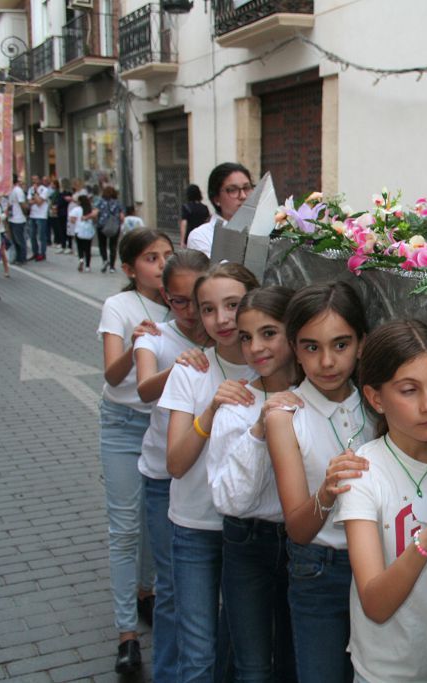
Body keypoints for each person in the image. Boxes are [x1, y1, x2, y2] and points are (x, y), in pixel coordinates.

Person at [333, 319, 427, 683]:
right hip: (385, 673)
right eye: (409, 390)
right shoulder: (364, 474)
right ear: (375, 398)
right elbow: (375, 603)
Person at [265, 282, 375, 683]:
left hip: (381, 564)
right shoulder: (285, 416)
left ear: (362, 343)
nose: (327, 361)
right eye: (311, 347)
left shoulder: (378, 404)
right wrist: (326, 492)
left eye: (341, 345)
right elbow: (297, 527)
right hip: (319, 570)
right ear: (294, 348)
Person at [158, 262, 262, 683]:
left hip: (253, 530)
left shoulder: (271, 367)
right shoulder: (191, 369)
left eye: (233, 305)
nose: (221, 319)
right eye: (207, 309)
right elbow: (176, 463)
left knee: (243, 650)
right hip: (195, 527)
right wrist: (212, 408)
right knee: (197, 652)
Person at [206, 286, 301, 681]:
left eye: (268, 333)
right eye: (246, 337)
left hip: (302, 548)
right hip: (247, 542)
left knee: (293, 662)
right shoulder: (238, 404)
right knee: (253, 665)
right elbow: (231, 498)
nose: (256, 347)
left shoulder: (315, 397)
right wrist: (261, 430)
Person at [97, 228, 175, 674]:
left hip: (164, 425)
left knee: (155, 522)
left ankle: (146, 593)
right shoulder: (119, 306)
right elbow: (111, 376)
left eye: (166, 255)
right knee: (126, 529)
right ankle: (127, 634)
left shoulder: (181, 302)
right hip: (124, 426)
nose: (161, 264)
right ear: (130, 269)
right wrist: (134, 346)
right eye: (150, 257)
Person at [133, 248, 212, 683]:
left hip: (205, 479)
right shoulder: (155, 337)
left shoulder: (224, 332)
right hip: (163, 479)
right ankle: (166, 672)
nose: (188, 313)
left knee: (200, 593)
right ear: (165, 296)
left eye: (195, 302)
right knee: (170, 588)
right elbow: (145, 388)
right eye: (177, 301)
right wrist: (178, 366)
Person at [187, 163, 253, 257]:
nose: (243, 196)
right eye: (232, 190)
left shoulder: (265, 228)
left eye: (246, 188)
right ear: (216, 198)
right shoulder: (201, 236)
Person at [97, 186, 124, 274]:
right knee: (113, 245)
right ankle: (112, 266)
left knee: (102, 244)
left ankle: (105, 260)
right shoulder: (118, 202)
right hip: (114, 225)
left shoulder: (101, 201)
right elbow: (122, 216)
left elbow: (96, 212)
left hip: (102, 225)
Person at [27, 175, 50, 261]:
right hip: (33, 215)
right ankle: (35, 252)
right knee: (32, 235)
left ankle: (42, 253)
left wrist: (36, 193)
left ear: (39, 180)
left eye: (36, 179)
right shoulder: (30, 189)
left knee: (41, 236)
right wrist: (36, 199)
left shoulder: (44, 190)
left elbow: (40, 202)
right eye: (33, 179)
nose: (34, 181)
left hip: (41, 215)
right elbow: (29, 201)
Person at [71, 195, 97, 272]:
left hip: (79, 230)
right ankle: (88, 266)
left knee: (80, 247)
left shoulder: (76, 209)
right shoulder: (91, 209)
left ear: (80, 201)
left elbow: (72, 219)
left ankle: (81, 259)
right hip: (89, 230)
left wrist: (77, 221)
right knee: (88, 248)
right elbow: (95, 219)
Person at [7, 175, 28, 264]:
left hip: (18, 218)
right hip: (12, 218)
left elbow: (22, 204)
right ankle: (18, 256)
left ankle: (22, 258)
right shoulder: (11, 190)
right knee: (15, 240)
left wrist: (26, 213)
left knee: (20, 240)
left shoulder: (18, 190)